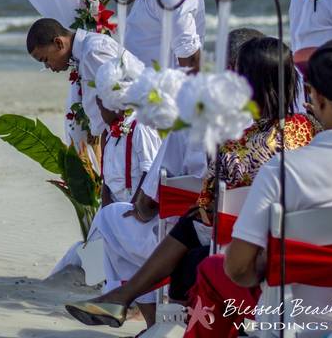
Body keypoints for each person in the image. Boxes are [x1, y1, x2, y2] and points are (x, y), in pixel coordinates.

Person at [65, 37, 315, 330]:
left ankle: (128, 297)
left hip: (240, 252)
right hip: (301, 247)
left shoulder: (231, 137)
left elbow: (206, 206)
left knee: (191, 221)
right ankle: (124, 296)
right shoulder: (307, 129)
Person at [81, 29, 262, 324]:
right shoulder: (292, 131)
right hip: (270, 248)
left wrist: (139, 204)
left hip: (203, 246)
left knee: (111, 218)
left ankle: (146, 317)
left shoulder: (196, 126)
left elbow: (147, 204)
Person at [185, 38, 332, 337]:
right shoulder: (302, 132)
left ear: (318, 98)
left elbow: (238, 268)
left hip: (290, 315)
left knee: (210, 270)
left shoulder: (282, 172)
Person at [26, 18, 161, 205]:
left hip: (130, 143)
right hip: (116, 141)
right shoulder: (85, 52)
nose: (48, 67)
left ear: (58, 43)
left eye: (45, 60)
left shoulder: (94, 51)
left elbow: (120, 103)